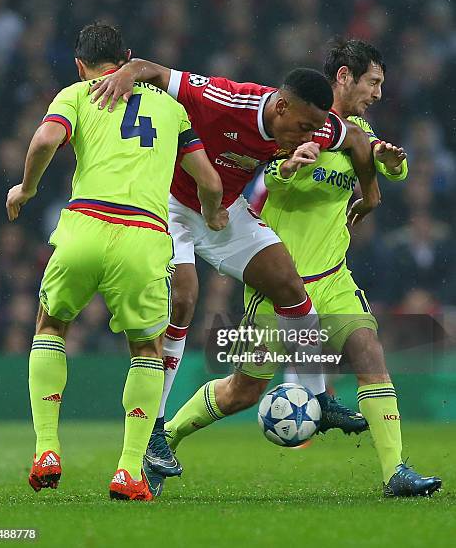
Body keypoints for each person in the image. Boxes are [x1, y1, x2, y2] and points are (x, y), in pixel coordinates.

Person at [164, 37, 439, 497]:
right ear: (344, 77)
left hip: (333, 276)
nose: (377, 93)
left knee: (369, 351)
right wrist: (289, 166)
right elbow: (264, 186)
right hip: (280, 283)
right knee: (243, 391)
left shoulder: (356, 132)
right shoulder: (291, 126)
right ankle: (167, 435)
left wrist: (389, 166)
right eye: (372, 82)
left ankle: (395, 473)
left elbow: (381, 164)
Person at [91, 61, 381, 478]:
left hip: (224, 211)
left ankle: (320, 400)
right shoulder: (224, 98)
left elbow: (354, 137)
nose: (308, 137)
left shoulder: (313, 124)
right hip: (170, 206)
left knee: (289, 286)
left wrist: (369, 193)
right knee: (184, 299)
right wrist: (126, 74)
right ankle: (154, 428)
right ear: (280, 107)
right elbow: (152, 70)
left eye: (314, 130)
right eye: (302, 128)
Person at [6, 22, 225, 502]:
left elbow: (44, 142)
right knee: (146, 351)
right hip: (143, 237)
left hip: (84, 226)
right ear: (126, 58)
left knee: (51, 325)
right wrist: (211, 215)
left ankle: (46, 449)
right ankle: (128, 471)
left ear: (80, 64)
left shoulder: (76, 94)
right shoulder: (171, 109)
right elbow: (208, 181)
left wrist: (27, 188)